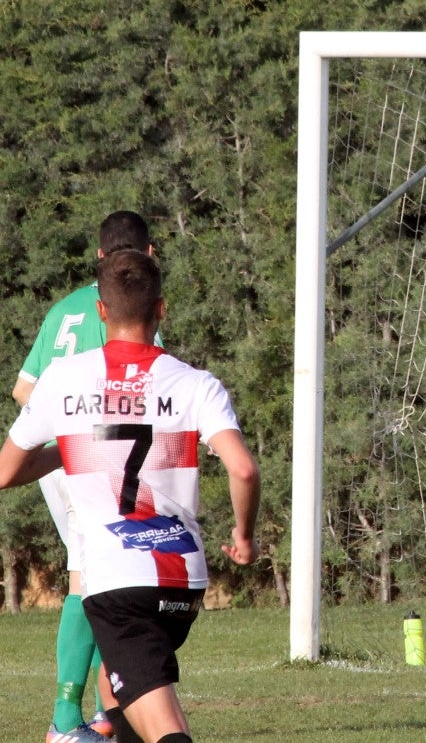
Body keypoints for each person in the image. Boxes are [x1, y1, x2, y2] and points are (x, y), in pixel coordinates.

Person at [0, 248, 261, 743]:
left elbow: (6, 471)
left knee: (159, 720)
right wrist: (243, 536)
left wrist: (68, 451)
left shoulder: (65, 380)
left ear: (101, 311)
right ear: (161, 309)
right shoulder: (196, 384)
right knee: (116, 691)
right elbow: (243, 470)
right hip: (183, 580)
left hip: (116, 578)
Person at [13, 211, 157, 743]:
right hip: (87, 458)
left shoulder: (64, 308)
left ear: (98, 255)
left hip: (52, 454)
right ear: (150, 251)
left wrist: (62, 420)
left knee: (101, 574)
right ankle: (66, 720)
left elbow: (23, 391)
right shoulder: (126, 304)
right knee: (89, 577)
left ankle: (105, 713)